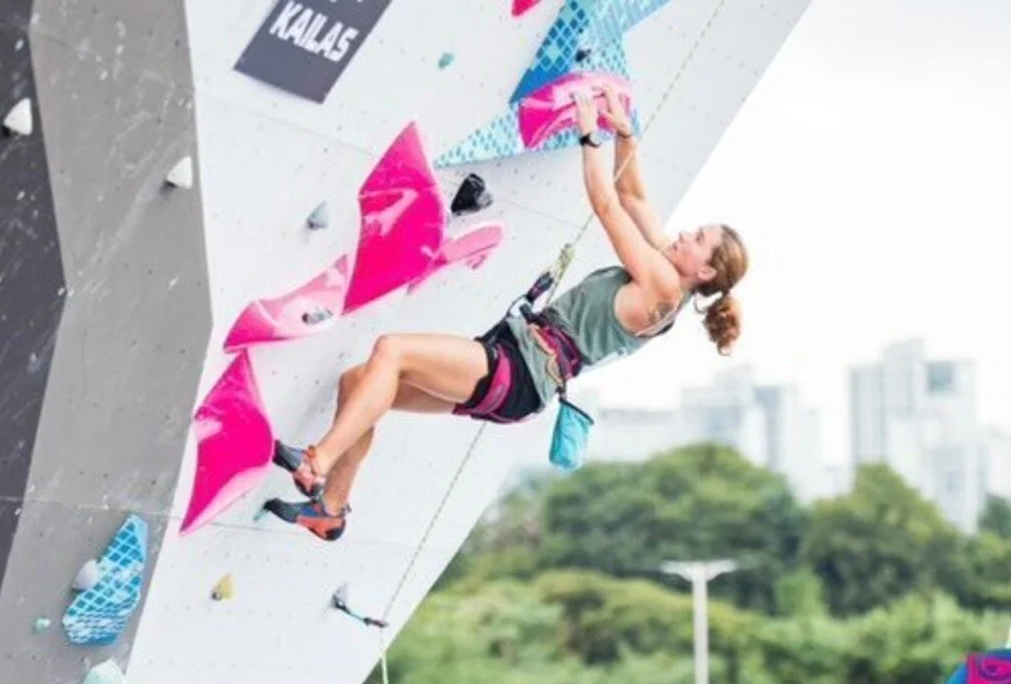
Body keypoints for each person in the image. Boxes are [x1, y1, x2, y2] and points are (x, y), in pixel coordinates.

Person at [265, 86, 750, 541]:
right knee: (360, 384)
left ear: (705, 272)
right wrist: (625, 134)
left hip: (521, 370)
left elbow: (607, 206)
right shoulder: (669, 278)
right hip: (522, 375)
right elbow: (633, 198)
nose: (684, 234)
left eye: (697, 239)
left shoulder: (663, 284)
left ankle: (317, 462)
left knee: (391, 351)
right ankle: (330, 510)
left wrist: (589, 137)